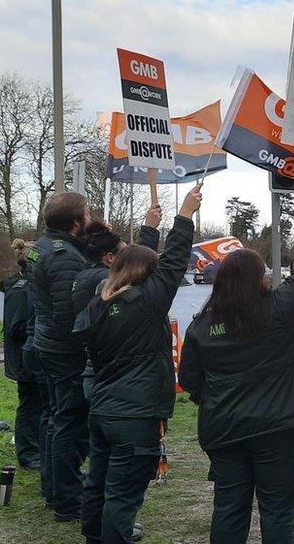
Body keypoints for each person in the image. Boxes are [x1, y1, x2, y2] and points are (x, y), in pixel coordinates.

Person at [178, 191, 294, 544]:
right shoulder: (276, 310)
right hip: (278, 428)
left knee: (229, 507)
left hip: (225, 429)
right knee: (277, 510)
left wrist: (219, 399)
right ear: (259, 278)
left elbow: (190, 381)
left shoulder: (201, 326)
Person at [72, 185, 202, 544]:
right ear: (147, 275)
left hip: (103, 410)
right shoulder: (145, 304)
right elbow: (174, 262)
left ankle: (93, 536)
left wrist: (152, 228)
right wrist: (185, 215)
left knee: (98, 482)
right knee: (123, 495)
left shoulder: (98, 305)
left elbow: (149, 263)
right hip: (135, 414)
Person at [28, 191, 92, 521]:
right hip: (65, 351)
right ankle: (69, 499)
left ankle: (55, 489)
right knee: (71, 422)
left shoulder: (42, 246)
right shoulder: (64, 256)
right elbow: (69, 316)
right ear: (76, 222)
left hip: (47, 345)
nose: (92, 219)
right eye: (88, 215)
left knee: (56, 418)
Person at [73, 205, 162, 400]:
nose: (128, 260)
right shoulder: (105, 281)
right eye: (124, 255)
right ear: (111, 258)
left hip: (94, 367)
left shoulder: (83, 275)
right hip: (110, 373)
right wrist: (149, 229)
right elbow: (141, 272)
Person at [0, 240, 40, 469]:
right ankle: (28, 453)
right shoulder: (22, 288)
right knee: (30, 405)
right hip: (25, 357)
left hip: (26, 354)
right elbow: (17, 328)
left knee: (35, 404)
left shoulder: (23, 285)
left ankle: (35, 448)